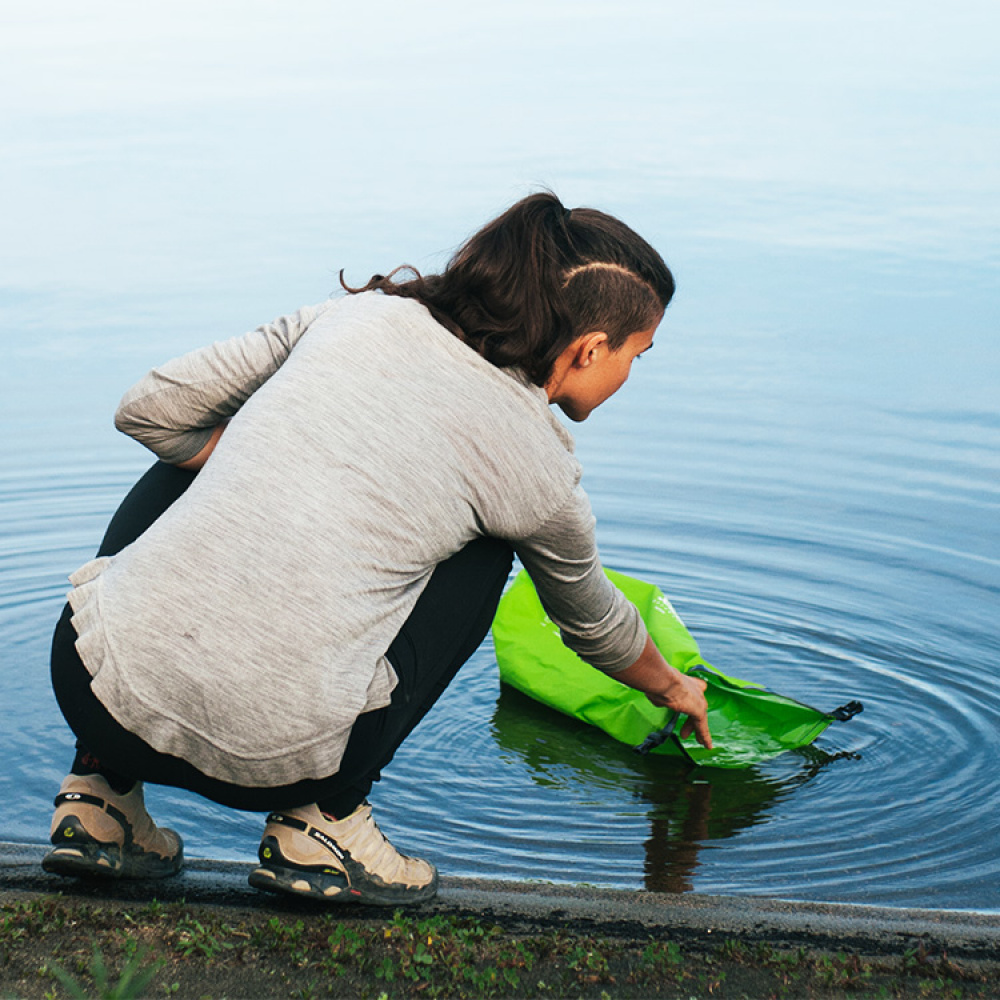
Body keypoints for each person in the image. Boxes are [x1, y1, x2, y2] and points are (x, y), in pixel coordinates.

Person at [43, 192, 712, 906]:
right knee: (491, 547)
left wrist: (275, 459)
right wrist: (673, 686)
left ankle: (98, 797)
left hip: (89, 689)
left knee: (191, 454)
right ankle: (325, 822)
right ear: (589, 349)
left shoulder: (353, 317)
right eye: (638, 354)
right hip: (279, 756)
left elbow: (148, 410)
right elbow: (591, 622)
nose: (631, 375)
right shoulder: (536, 468)